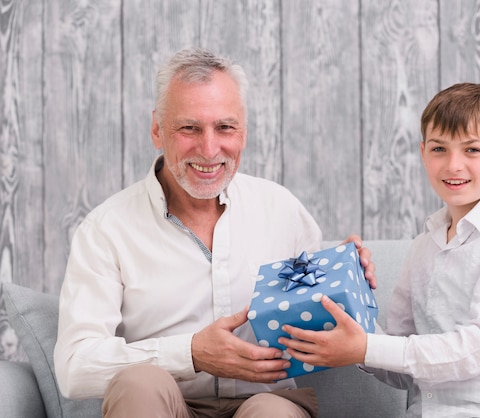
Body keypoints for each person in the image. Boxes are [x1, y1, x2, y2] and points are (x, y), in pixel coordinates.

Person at [53, 48, 375, 418]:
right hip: (164, 403)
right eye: (189, 128)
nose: (209, 149)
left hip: (266, 402)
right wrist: (191, 353)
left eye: (225, 127)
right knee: (139, 384)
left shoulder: (281, 209)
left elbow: (322, 322)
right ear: (157, 129)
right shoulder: (106, 229)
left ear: (244, 132)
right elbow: (74, 368)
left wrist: (350, 284)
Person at [280, 83, 480, 417]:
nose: (454, 165)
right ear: (424, 152)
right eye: (440, 149)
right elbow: (399, 366)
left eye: (471, 150)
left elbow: (479, 348)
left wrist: (366, 346)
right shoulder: (424, 245)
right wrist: (346, 291)